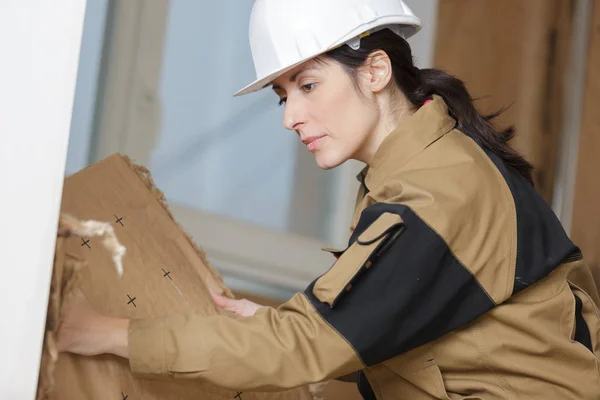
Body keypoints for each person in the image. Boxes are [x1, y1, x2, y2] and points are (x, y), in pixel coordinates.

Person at [56, 0, 600, 398]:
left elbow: (307, 346)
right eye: (283, 97)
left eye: (308, 85)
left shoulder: (438, 192)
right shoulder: (421, 171)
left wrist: (105, 332)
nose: (291, 117)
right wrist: (286, 325)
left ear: (376, 71)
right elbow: (405, 332)